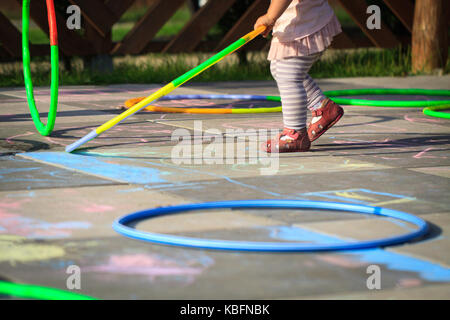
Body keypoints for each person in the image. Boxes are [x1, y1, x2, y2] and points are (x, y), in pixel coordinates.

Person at [254, 0, 344, 153]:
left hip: (304, 26)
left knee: (288, 74)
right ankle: (322, 106)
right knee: (280, 69)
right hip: (303, 21)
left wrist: (270, 16)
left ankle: (295, 134)